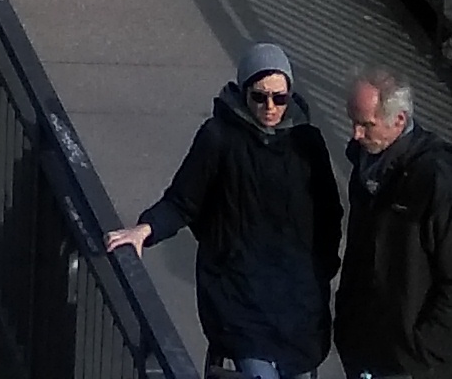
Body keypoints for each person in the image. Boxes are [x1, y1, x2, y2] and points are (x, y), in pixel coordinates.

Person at [105, 40, 340, 379]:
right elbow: (184, 199)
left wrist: (319, 270)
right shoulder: (219, 138)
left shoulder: (307, 143)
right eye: (259, 96)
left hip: (297, 307)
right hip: (240, 297)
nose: (270, 107)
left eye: (279, 97)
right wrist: (145, 229)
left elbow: (329, 213)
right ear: (244, 91)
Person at [336, 69, 452, 379]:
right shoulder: (368, 168)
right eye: (353, 121)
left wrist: (420, 352)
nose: (356, 134)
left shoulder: (437, 184)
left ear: (399, 120)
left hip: (413, 365)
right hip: (369, 353)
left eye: (366, 125)